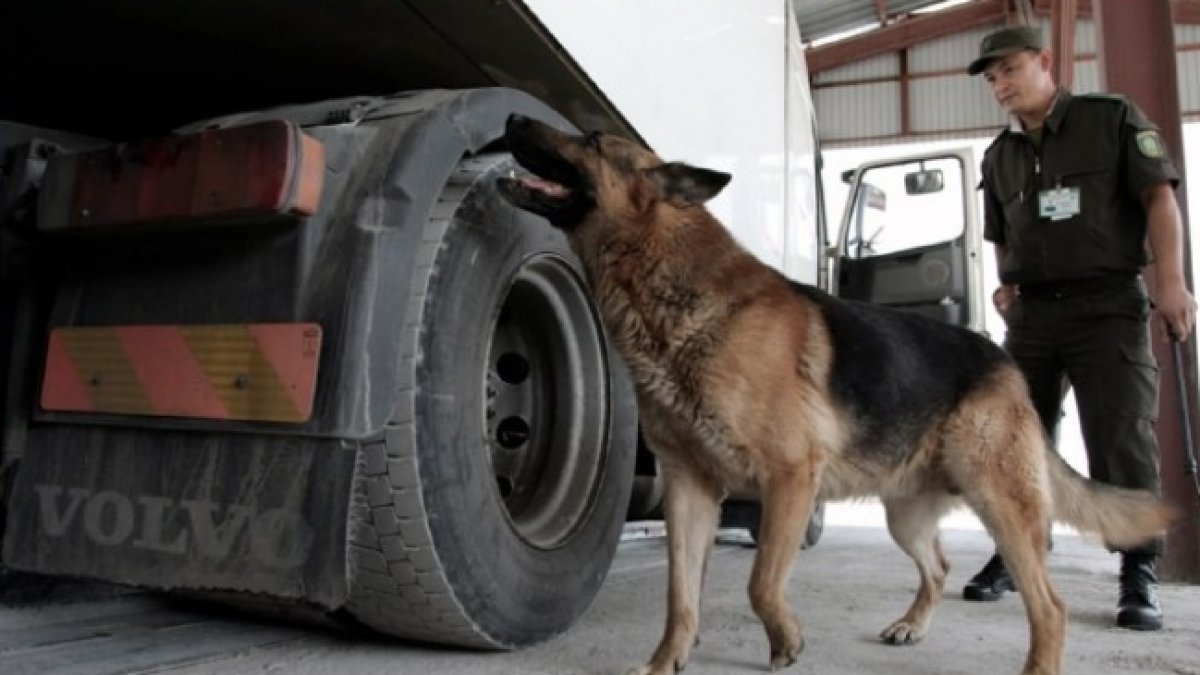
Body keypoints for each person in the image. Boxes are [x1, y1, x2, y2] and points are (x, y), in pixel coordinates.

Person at [964, 25, 1195, 631]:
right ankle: (1017, 551)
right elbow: (1001, 234)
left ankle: (1138, 569)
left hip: (1107, 307)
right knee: (1015, 438)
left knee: (1120, 437)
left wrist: (1172, 282)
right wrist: (1006, 284)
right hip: (1034, 316)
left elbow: (1159, 199)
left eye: (1011, 69)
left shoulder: (1110, 119)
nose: (1001, 84)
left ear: (1045, 61)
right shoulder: (1000, 155)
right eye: (992, 77)